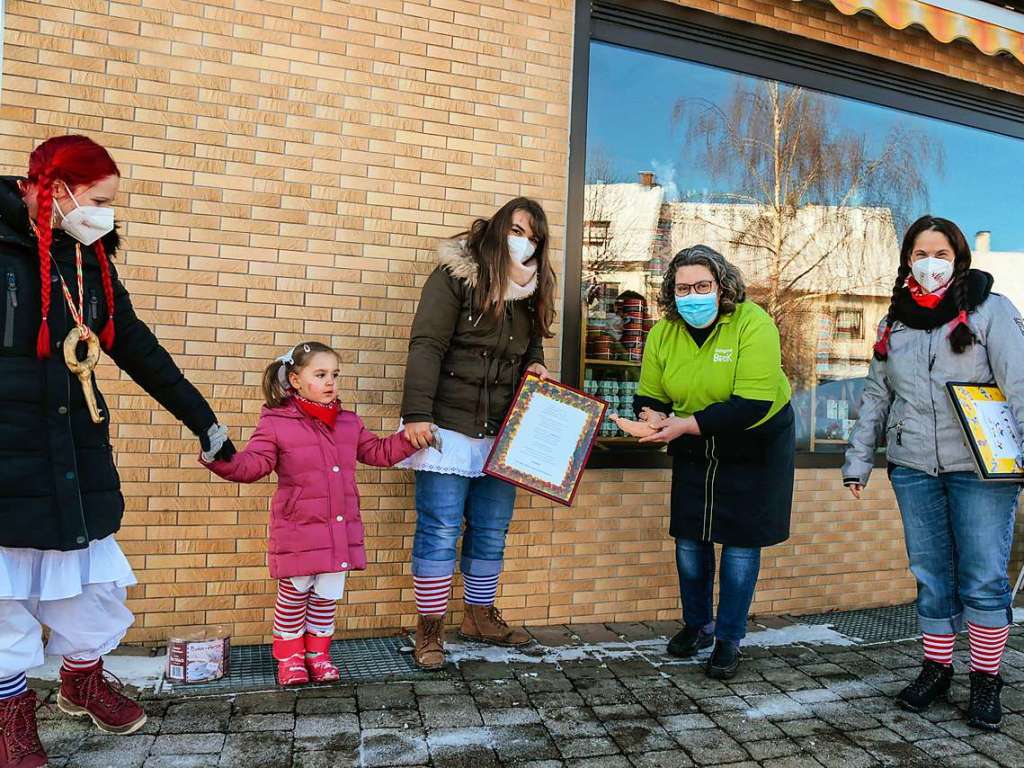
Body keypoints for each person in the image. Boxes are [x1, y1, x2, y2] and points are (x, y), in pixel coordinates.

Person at [0, 135, 234, 768]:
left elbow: (134, 344)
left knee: (86, 578)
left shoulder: (89, 258)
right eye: (98, 200)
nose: (105, 214)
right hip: (6, 451)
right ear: (58, 190)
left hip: (72, 444)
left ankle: (81, 680)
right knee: (4, 593)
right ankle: (11, 714)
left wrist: (203, 421)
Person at [843, 216, 1024, 731]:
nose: (930, 262)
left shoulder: (991, 311)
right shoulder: (894, 322)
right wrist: (859, 460)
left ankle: (986, 679)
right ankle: (937, 668)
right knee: (930, 575)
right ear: (907, 260)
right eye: (920, 252)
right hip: (915, 467)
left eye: (941, 253)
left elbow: (1021, 384)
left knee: (984, 576)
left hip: (982, 470)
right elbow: (878, 396)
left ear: (957, 257)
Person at [202, 341, 422, 685]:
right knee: (293, 599)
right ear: (295, 379)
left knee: (324, 599)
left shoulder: (348, 422)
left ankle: (318, 654)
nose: (331, 381)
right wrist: (220, 457)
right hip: (299, 532)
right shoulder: (276, 422)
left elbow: (378, 452)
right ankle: (289, 659)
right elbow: (253, 465)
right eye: (320, 374)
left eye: (335, 374)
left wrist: (410, 439)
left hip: (338, 533)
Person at [400, 197, 556, 669]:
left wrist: (537, 364)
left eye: (533, 236)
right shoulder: (456, 276)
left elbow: (530, 345)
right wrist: (415, 414)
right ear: (496, 229)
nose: (523, 242)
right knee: (440, 527)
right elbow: (427, 343)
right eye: (517, 230)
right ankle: (429, 629)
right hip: (446, 425)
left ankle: (479, 615)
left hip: (505, 430)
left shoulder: (533, 289)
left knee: (491, 528)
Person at [629, 244, 794, 680]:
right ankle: (698, 625)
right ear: (672, 293)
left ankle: (728, 637)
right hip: (693, 435)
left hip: (755, 438)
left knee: (739, 544)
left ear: (722, 288)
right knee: (690, 538)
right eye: (683, 288)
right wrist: (651, 416)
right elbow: (649, 393)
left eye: (703, 285)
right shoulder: (662, 333)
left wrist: (683, 425)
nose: (693, 294)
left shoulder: (753, 323)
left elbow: (751, 402)